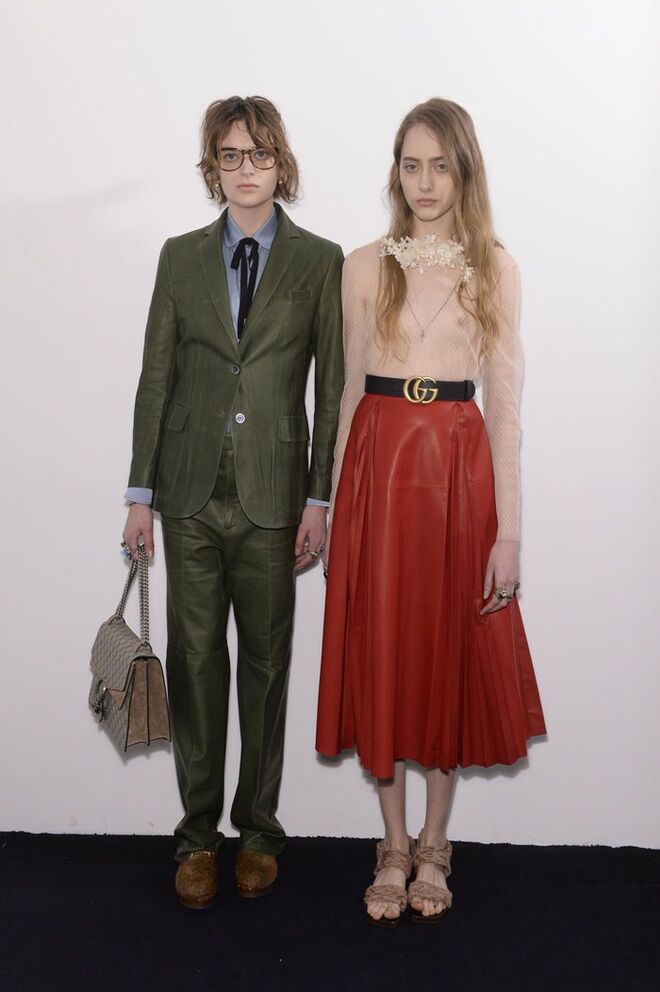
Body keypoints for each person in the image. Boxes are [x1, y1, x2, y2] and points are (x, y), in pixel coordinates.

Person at [316, 98, 546, 927]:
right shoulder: (361, 267)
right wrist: (333, 506)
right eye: (411, 165)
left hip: (458, 479)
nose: (424, 182)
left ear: (464, 172)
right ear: (396, 173)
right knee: (381, 648)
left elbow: (507, 410)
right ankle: (391, 844)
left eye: (440, 166)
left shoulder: (495, 269)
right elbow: (347, 394)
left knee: (446, 652)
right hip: (376, 476)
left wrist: (508, 532)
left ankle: (436, 844)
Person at [122, 95, 343, 909]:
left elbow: (332, 388)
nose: (246, 169)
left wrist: (319, 497)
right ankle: (196, 838)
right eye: (230, 155)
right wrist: (139, 493)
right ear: (212, 168)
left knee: (267, 665)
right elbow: (155, 377)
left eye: (259, 154)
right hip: (186, 496)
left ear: (282, 163)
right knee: (194, 666)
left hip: (274, 497)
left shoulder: (320, 261)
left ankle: (258, 832)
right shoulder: (179, 257)